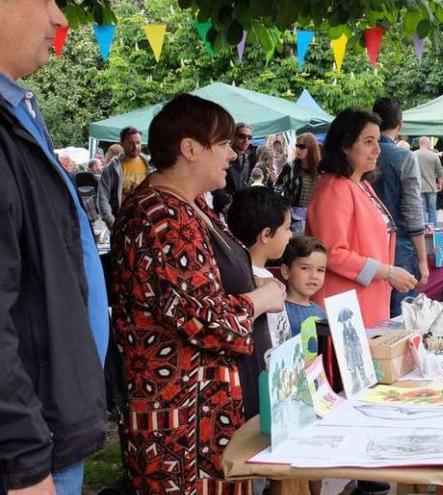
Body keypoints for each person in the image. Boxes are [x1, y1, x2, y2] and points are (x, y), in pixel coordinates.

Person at [111, 94, 286, 494]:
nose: (232, 153)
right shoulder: (161, 217)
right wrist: (262, 299)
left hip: (202, 412)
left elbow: (203, 286)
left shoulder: (189, 206)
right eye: (223, 144)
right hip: (179, 420)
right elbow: (207, 319)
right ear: (190, 148)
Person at [0, 1, 109, 493]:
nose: (61, 19)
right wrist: (23, 457)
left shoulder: (16, 113)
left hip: (49, 430)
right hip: (28, 451)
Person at [307, 108, 418, 328]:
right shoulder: (334, 188)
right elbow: (332, 252)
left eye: (377, 141)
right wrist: (387, 272)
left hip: (367, 300)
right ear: (345, 146)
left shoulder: (362, 185)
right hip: (345, 306)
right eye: (368, 141)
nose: (377, 149)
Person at [370, 97, 429, 318]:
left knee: (375, 313)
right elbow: (413, 211)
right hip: (399, 247)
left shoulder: (361, 156)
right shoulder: (404, 157)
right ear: (399, 125)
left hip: (368, 248)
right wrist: (423, 261)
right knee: (400, 317)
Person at [227, 186, 294, 349]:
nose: (290, 235)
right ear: (266, 235)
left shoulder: (256, 274)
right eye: (287, 228)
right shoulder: (256, 284)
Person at [98, 126, 151, 227]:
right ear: (121, 143)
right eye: (131, 143)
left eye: (138, 143)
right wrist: (111, 221)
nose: (135, 147)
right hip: (121, 222)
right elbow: (102, 197)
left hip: (146, 221)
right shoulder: (112, 168)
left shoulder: (150, 165)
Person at [281, 236, 328, 338]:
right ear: (286, 271)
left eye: (320, 270)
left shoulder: (321, 313)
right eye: (305, 268)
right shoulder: (278, 310)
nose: (314, 276)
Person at [275, 132, 321, 234]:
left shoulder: (320, 170)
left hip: (314, 217)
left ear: (311, 148)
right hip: (291, 217)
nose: (298, 149)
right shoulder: (290, 167)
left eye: (302, 146)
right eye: (297, 146)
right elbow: (277, 189)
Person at [212, 122, 255, 213]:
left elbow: (244, 183)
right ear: (233, 137)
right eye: (242, 136)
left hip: (239, 207)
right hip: (222, 207)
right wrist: (227, 200)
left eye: (249, 137)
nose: (246, 140)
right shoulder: (223, 156)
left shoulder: (246, 159)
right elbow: (214, 182)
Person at [415, 136, 443, 226]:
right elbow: (440, 172)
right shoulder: (434, 156)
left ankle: (424, 229)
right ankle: (434, 228)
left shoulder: (412, 155)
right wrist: (439, 184)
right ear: (427, 143)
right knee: (432, 209)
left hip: (418, 187)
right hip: (431, 187)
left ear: (420, 143)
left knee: (422, 209)